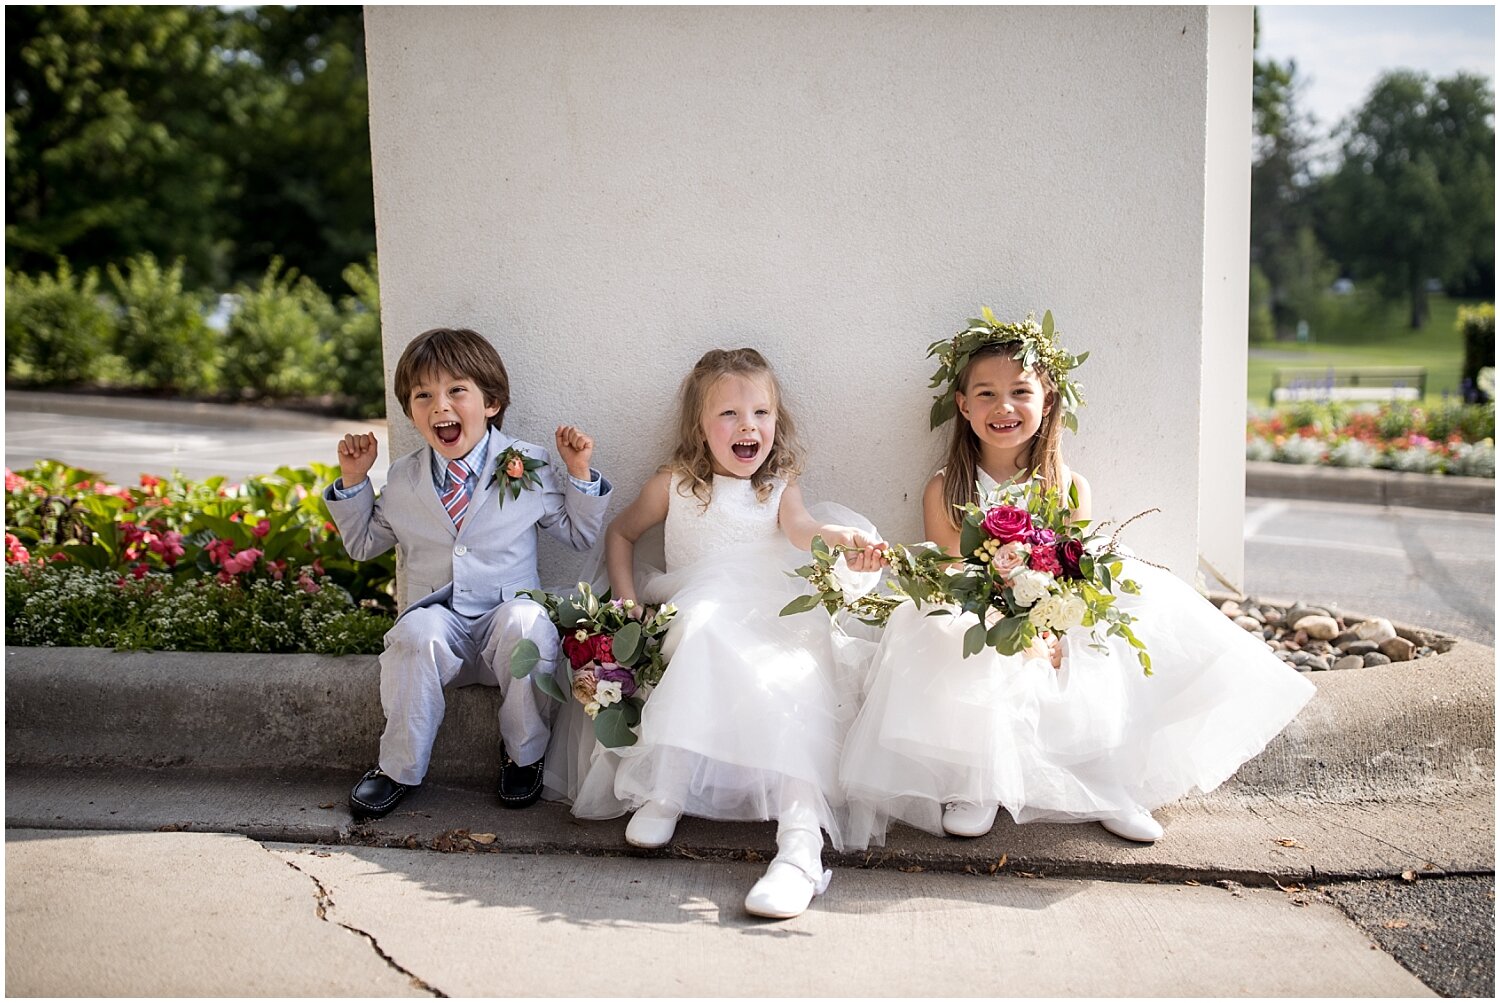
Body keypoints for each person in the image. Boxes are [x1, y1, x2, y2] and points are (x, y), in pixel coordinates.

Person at [840, 311, 1316, 848]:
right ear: (963, 406)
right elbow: (952, 576)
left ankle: (1109, 784)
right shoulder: (948, 488)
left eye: (1020, 391)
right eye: (987, 394)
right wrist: (1007, 621)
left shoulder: (1067, 484)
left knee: (1107, 640)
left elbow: (1074, 570)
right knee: (942, 635)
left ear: (1047, 402)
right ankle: (973, 781)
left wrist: (1049, 630)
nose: (1004, 408)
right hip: (977, 614)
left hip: (1050, 609)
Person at [558, 347, 884, 920]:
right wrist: (626, 602)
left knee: (792, 680)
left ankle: (800, 846)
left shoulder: (779, 487)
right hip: (695, 615)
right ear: (700, 427)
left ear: (776, 423)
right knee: (701, 625)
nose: (747, 426)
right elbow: (621, 533)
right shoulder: (676, 484)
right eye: (729, 415)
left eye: (760, 413)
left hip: (770, 618)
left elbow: (804, 529)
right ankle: (669, 787)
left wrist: (841, 539)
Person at [325, 326, 611, 820]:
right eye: (424, 395)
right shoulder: (402, 478)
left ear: (492, 402)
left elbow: (579, 535)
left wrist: (580, 472)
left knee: (530, 627)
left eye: (457, 390)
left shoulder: (530, 464)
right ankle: (397, 767)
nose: (441, 406)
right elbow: (363, 543)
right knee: (413, 633)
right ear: (411, 411)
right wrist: (355, 482)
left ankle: (524, 756)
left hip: (506, 614)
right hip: (441, 623)